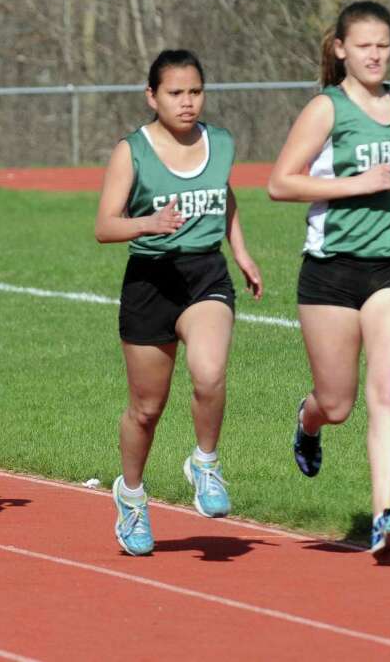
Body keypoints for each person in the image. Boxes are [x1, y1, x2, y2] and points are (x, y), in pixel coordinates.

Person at [268, 1, 390, 560]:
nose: (375, 55)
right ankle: (308, 420)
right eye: (364, 45)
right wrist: (356, 185)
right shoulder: (327, 108)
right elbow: (280, 183)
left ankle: (385, 516)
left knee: (388, 394)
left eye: (383, 45)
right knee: (337, 403)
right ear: (341, 49)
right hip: (332, 271)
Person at [95, 50, 262, 556]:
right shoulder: (132, 151)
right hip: (151, 281)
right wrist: (148, 223)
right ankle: (131, 496)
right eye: (175, 93)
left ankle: (205, 463)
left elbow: (223, 196)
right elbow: (105, 226)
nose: (187, 102)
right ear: (152, 96)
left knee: (209, 374)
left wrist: (241, 251)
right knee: (146, 409)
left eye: (195, 92)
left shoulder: (222, 142)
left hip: (205, 274)